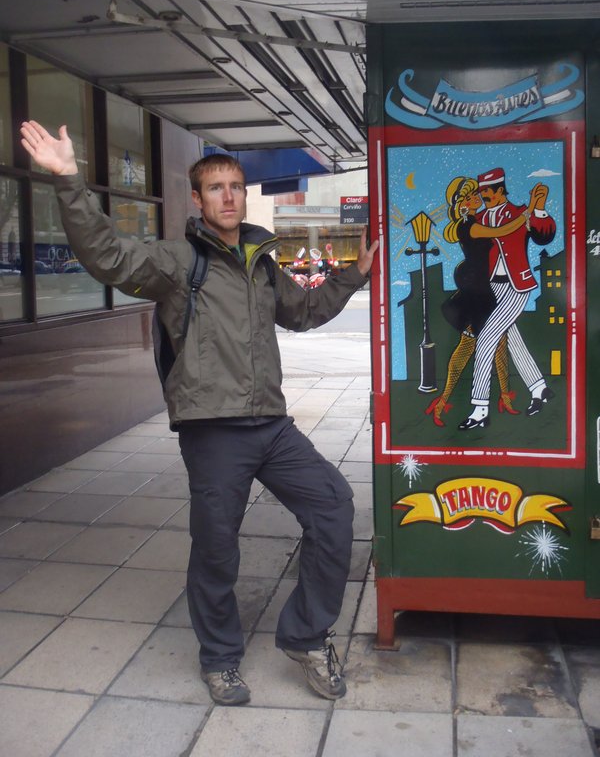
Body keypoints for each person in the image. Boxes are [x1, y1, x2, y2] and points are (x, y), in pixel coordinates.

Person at [20, 120, 379, 706]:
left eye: (235, 186)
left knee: (334, 507)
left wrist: (353, 275)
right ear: (198, 197)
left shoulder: (261, 259)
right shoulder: (176, 260)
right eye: (216, 188)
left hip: (271, 424)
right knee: (216, 547)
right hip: (213, 430)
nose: (230, 196)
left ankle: (307, 636)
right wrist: (68, 179)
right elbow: (108, 256)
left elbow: (303, 310)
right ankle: (220, 658)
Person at [426, 176, 543, 426]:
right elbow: (503, 231)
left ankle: (504, 397)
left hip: (485, 290)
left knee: (499, 342)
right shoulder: (469, 225)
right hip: (476, 293)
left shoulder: (478, 219)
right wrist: (529, 210)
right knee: (474, 346)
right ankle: (448, 401)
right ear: (461, 205)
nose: (475, 198)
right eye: (468, 197)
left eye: (475, 194)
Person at [458, 167, 556, 430]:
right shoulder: (478, 220)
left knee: (487, 338)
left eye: (487, 192)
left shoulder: (519, 212)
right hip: (491, 288)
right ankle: (539, 388)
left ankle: (479, 408)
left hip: (517, 285)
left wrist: (539, 209)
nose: (484, 196)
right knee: (513, 340)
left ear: (501, 190)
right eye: (482, 193)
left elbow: (544, 234)